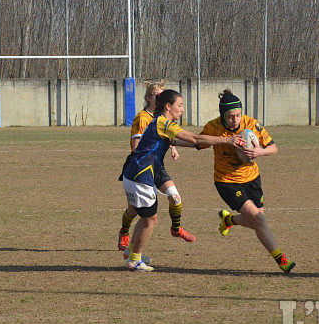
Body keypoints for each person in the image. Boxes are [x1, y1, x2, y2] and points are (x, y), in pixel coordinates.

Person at [122, 89, 241, 271]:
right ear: (168, 106)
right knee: (150, 220)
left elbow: (188, 142)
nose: (183, 109)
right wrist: (226, 140)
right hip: (140, 177)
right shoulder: (163, 123)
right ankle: (134, 259)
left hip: (137, 175)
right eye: (180, 105)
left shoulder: (162, 124)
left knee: (147, 217)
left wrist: (204, 144)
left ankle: (131, 252)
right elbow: (194, 137)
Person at [197, 89, 296, 273]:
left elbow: (273, 148)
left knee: (255, 222)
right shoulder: (214, 127)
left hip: (252, 179)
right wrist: (225, 141)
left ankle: (229, 220)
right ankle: (282, 261)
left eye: (238, 115)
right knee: (259, 220)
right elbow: (198, 141)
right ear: (222, 115)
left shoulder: (251, 125)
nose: (235, 120)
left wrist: (260, 152)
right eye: (230, 117)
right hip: (227, 181)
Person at [118, 81, 196, 265]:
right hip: (140, 166)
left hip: (156, 165)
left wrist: (172, 147)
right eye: (156, 94)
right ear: (149, 98)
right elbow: (139, 146)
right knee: (137, 211)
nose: (158, 97)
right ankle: (125, 236)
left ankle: (175, 229)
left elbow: (166, 138)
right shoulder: (143, 118)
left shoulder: (164, 120)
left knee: (174, 197)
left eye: (161, 94)